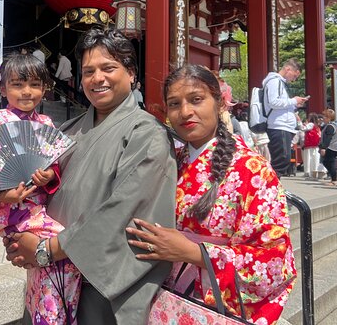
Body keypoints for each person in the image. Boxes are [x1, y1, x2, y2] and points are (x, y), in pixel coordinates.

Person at [4, 28, 177, 324]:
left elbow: (123, 211)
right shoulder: (68, 130)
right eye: (88, 71)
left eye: (109, 68)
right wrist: (20, 238)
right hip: (50, 280)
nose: (98, 78)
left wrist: (48, 249)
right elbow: (36, 194)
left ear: (132, 73)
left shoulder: (147, 133)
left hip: (100, 286)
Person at [127, 64, 296, 325]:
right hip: (159, 296)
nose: (185, 112)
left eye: (196, 100)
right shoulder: (168, 160)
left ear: (220, 104)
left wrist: (194, 252)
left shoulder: (253, 170)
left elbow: (273, 260)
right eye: (174, 104)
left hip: (211, 304)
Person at [0, 53, 79, 325]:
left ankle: (49, 314)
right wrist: (1, 194)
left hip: (38, 208)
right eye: (17, 84)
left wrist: (47, 176)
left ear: (44, 87)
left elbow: (55, 168)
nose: (27, 92)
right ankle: (53, 316)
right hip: (10, 213)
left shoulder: (46, 125)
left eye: (34, 84)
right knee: (67, 249)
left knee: (48, 267)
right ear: (3, 88)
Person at [263, 59, 309, 179]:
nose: (294, 79)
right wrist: (294, 100)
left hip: (282, 125)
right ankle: (269, 188)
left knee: (282, 160)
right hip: (279, 125)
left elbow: (278, 103)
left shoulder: (279, 82)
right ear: (288, 69)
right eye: (294, 75)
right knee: (282, 159)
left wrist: (294, 104)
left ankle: (272, 188)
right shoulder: (275, 81)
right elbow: (273, 102)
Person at [320, 109, 337, 186]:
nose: (323, 118)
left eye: (324, 117)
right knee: (328, 162)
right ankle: (335, 177)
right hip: (335, 147)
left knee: (330, 163)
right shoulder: (333, 125)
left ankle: (334, 180)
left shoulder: (330, 126)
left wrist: (323, 148)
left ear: (329, 118)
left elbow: (327, 139)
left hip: (331, 147)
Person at [302, 112, 321, 179]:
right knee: (315, 158)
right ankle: (314, 172)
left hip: (309, 144)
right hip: (315, 144)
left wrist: (303, 123)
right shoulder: (317, 126)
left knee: (308, 159)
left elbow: (303, 128)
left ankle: (308, 173)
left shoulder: (310, 124)